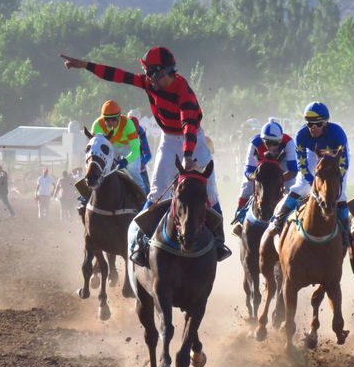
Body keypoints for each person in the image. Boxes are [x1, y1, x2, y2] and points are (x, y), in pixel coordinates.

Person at [60, 46, 231, 264]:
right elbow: (117, 75)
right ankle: (140, 242)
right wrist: (85, 66)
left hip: (194, 141)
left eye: (151, 72)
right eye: (147, 72)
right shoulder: (148, 83)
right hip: (168, 140)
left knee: (210, 191)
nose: (147, 77)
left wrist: (187, 156)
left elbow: (188, 125)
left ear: (164, 71)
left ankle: (218, 241)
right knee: (156, 193)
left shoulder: (184, 91)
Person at [268, 101, 351, 245]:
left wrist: (334, 182)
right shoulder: (301, 135)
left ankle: (347, 234)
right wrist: (314, 183)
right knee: (300, 187)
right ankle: (278, 220)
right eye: (309, 124)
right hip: (313, 153)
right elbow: (302, 165)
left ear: (325, 123)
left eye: (318, 124)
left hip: (335, 156)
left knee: (341, 194)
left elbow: (343, 164)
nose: (313, 128)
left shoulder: (337, 133)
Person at [232, 117, 298, 236]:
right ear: (262, 140)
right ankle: (239, 221)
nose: (271, 146)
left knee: (292, 188)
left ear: (281, 140)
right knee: (246, 187)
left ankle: (294, 217)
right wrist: (260, 179)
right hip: (260, 168)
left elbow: (293, 171)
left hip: (282, 167)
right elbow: (248, 172)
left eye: (275, 143)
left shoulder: (288, 142)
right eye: (267, 143)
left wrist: (276, 181)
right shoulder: (254, 143)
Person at [91, 100, 146, 192]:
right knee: (97, 164)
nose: (110, 123)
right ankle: (88, 194)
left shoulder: (128, 124)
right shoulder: (96, 126)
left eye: (114, 119)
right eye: (107, 120)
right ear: (102, 118)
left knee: (132, 167)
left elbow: (136, 151)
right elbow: (94, 150)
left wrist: (125, 161)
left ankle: (141, 191)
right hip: (110, 148)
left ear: (119, 117)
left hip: (127, 148)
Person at [127, 109, 153, 194]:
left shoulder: (140, 131)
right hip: (125, 166)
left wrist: (141, 164)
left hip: (140, 170)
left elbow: (148, 154)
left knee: (147, 193)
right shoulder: (119, 131)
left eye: (135, 132)